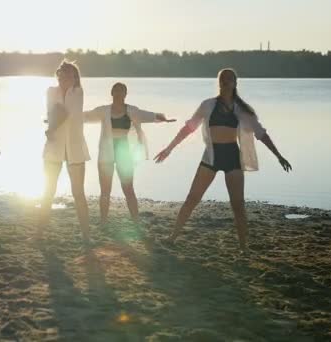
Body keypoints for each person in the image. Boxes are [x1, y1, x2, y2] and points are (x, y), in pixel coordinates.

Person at [154, 68, 292, 250]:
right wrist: (169, 148)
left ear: (235, 83)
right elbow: (189, 128)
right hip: (211, 156)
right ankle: (172, 237)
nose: (225, 82)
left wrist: (278, 155)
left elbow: (261, 134)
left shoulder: (242, 109)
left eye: (228, 79)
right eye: (222, 79)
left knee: (238, 205)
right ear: (218, 82)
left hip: (232, 158)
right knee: (192, 198)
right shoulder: (208, 105)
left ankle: (244, 248)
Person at [84, 82, 175, 224]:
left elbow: (148, 115)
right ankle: (103, 221)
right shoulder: (103, 110)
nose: (118, 93)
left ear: (125, 94)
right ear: (111, 93)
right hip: (106, 153)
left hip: (124, 152)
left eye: (121, 91)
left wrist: (164, 118)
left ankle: (136, 221)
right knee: (105, 191)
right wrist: (61, 119)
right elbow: (86, 116)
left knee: (128, 188)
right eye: (116, 90)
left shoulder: (132, 110)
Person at [37, 61, 91, 242]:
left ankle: (86, 236)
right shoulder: (50, 91)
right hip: (54, 148)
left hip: (74, 149)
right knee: (48, 191)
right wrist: (51, 126)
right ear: (57, 74)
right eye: (61, 72)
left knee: (79, 194)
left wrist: (51, 127)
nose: (64, 76)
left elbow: (63, 112)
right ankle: (39, 234)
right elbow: (54, 112)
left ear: (75, 77)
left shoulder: (78, 92)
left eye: (69, 74)